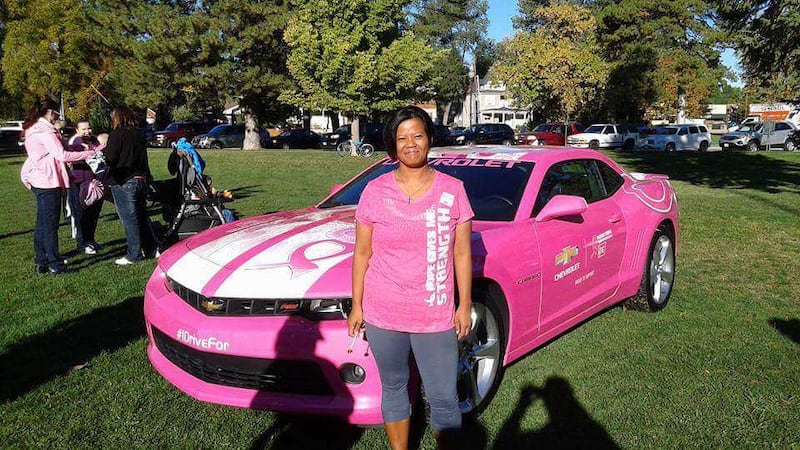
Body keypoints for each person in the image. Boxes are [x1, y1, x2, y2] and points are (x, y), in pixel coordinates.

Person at [348, 105, 474, 450]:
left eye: (417, 135)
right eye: (402, 138)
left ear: (429, 139)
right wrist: (357, 305)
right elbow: (362, 253)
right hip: (383, 311)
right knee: (393, 386)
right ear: (392, 145)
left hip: (434, 313)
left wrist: (464, 306)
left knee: (444, 396)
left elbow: (462, 254)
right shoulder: (374, 191)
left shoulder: (453, 191)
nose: (411, 144)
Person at [20, 100, 96, 275]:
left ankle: (42, 260)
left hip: (40, 180)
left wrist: (77, 147)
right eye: (57, 112)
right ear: (49, 112)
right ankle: (55, 263)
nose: (58, 116)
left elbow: (59, 148)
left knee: (42, 222)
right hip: (48, 181)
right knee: (50, 224)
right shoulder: (45, 131)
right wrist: (89, 152)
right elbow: (62, 155)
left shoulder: (35, 128)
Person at [104, 105, 157, 265]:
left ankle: (134, 254)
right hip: (140, 178)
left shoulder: (117, 134)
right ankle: (152, 248)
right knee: (141, 216)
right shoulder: (139, 133)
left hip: (123, 180)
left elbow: (110, 158)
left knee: (129, 218)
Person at [66, 120, 103, 254]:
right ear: (77, 130)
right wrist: (86, 154)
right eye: (83, 129)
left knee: (93, 212)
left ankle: (90, 240)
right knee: (80, 213)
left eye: (89, 128)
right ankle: (82, 243)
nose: (87, 131)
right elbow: (70, 157)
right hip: (78, 181)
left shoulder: (94, 140)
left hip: (93, 181)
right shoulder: (75, 142)